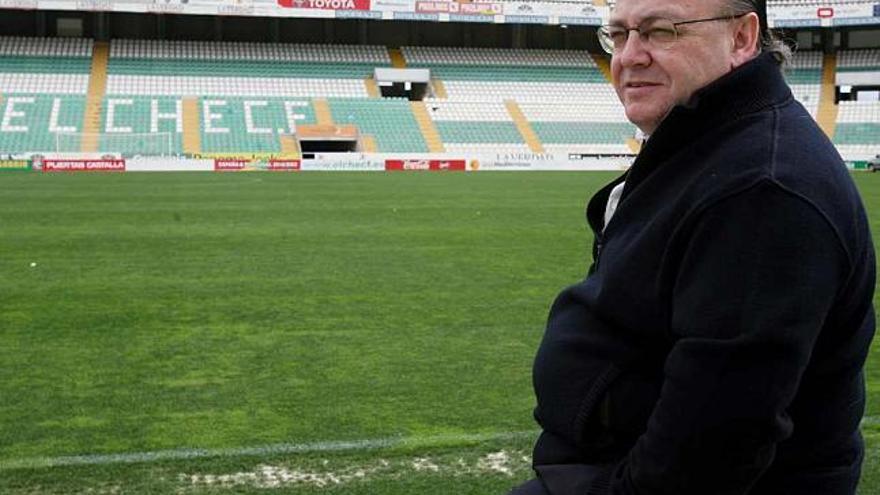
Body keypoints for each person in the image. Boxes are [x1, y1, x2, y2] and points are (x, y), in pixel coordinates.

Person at [508, 0, 876, 493]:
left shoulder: (762, 191)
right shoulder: (705, 139)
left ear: (743, 38)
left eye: (661, 31)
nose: (629, 56)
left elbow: (706, 456)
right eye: (619, 35)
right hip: (599, 458)